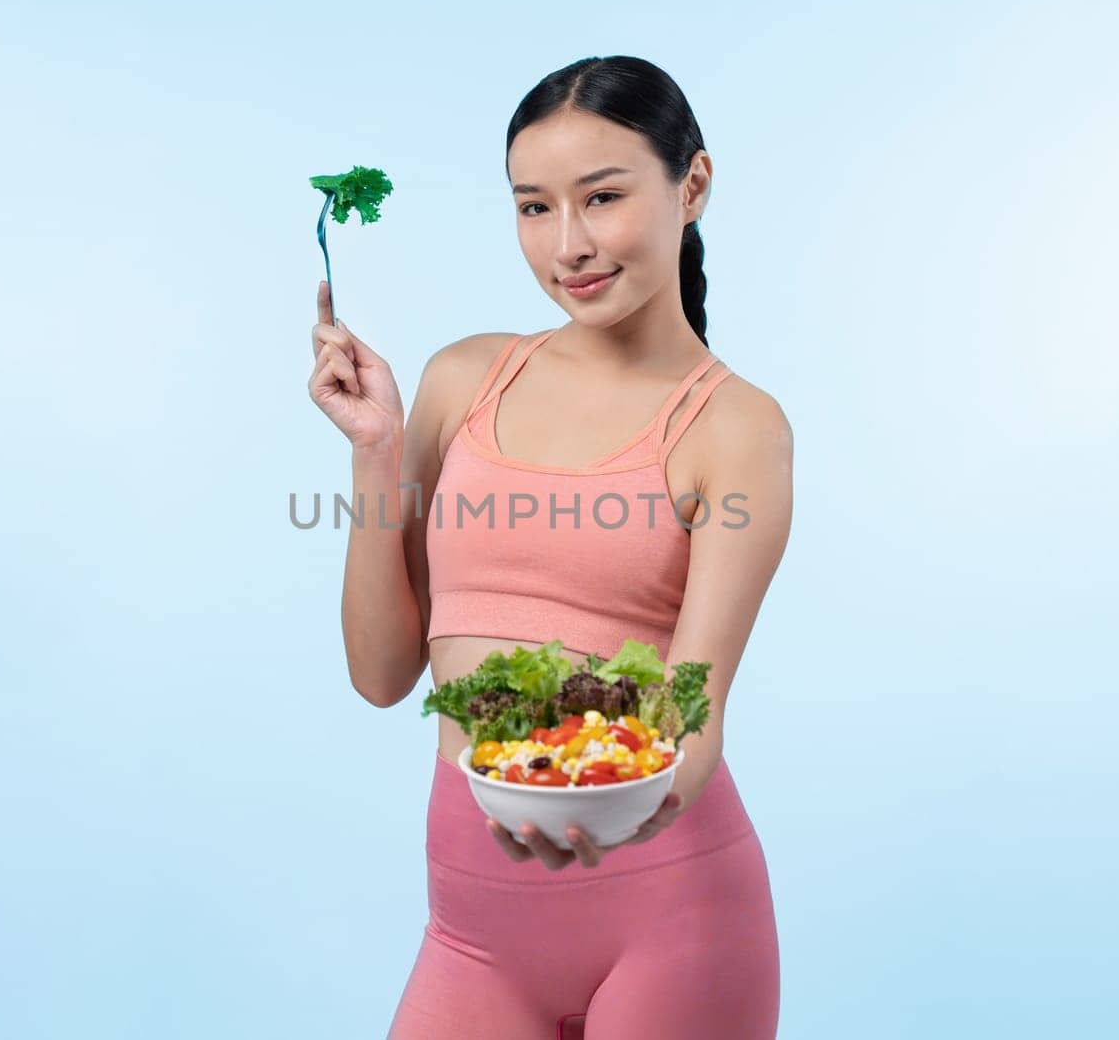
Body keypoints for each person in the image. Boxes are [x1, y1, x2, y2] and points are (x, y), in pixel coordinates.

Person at [307, 55, 794, 1040]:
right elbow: (380, 672)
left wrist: (591, 800)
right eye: (533, 207)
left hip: (671, 918)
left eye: (602, 198)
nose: (566, 244)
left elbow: (692, 719)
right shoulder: (463, 381)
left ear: (690, 185)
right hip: (473, 933)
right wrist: (377, 450)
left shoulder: (733, 426)